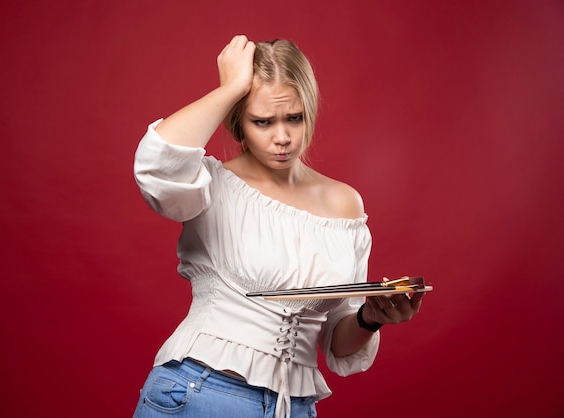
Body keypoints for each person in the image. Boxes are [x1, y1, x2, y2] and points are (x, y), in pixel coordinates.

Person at [132, 35, 424, 418]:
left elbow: (337, 338)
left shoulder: (344, 204)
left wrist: (372, 318)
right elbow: (155, 164)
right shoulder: (211, 184)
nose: (282, 137)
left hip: (294, 408)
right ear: (239, 122)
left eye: (294, 118)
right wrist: (231, 88)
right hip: (199, 392)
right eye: (262, 121)